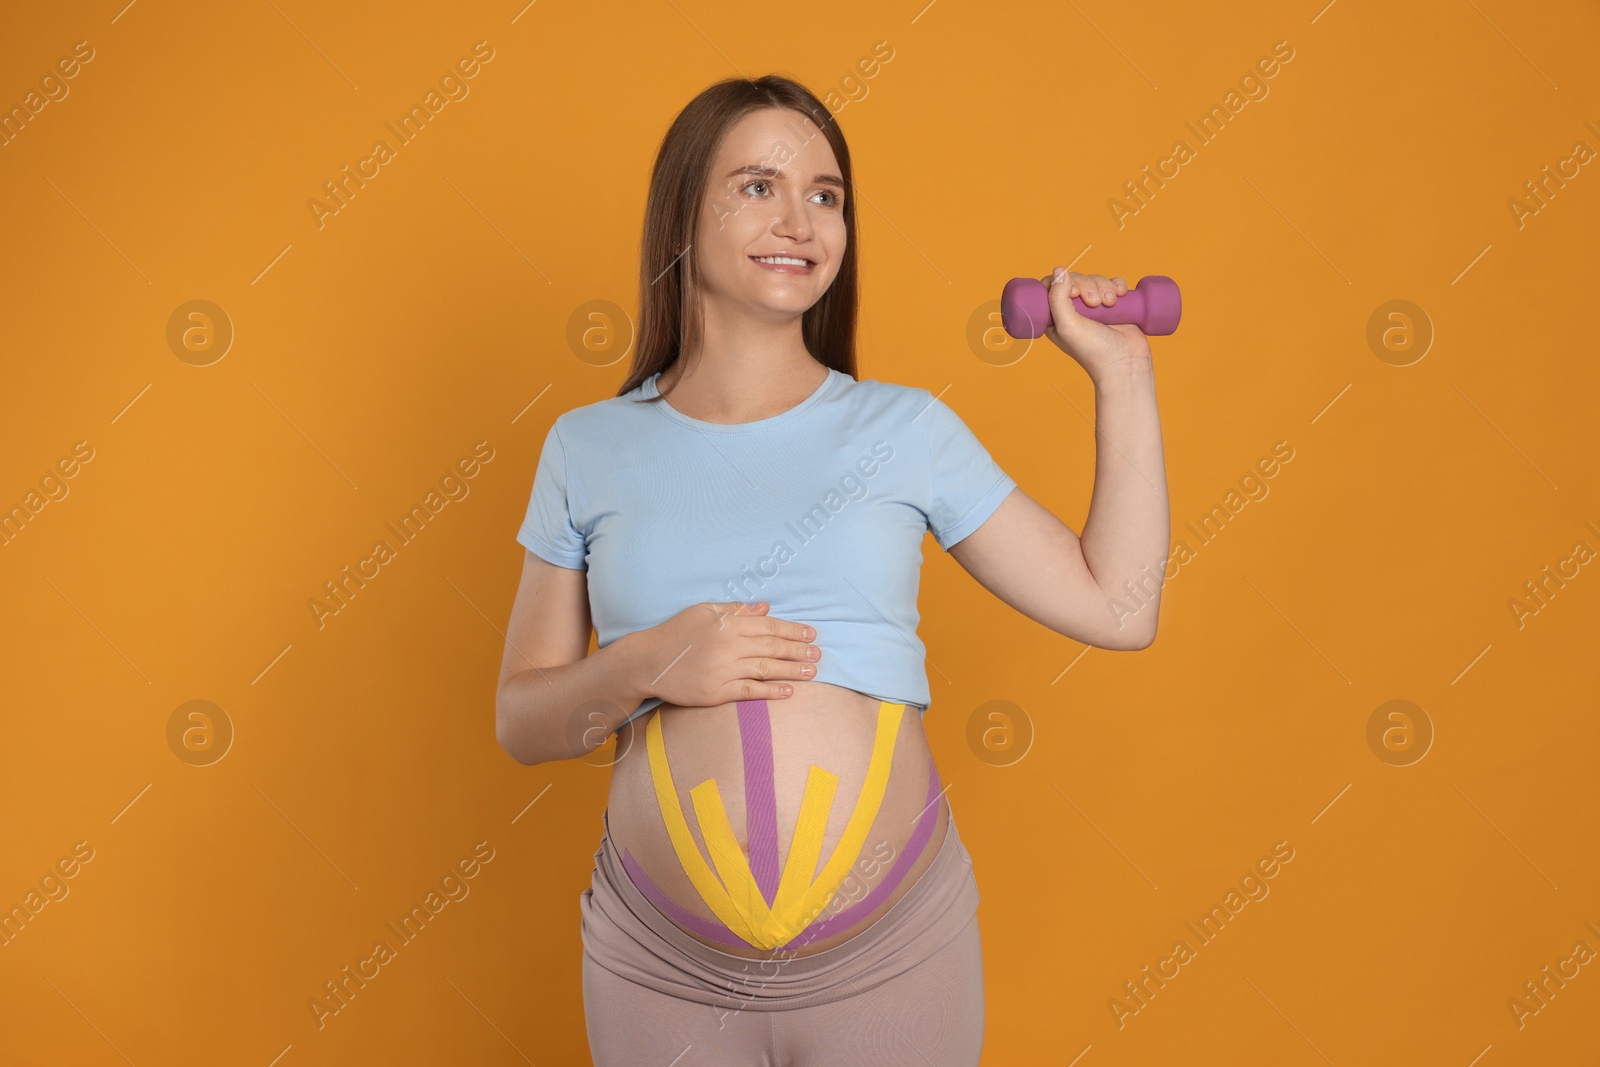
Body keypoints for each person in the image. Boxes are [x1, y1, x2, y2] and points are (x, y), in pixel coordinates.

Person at [496, 73, 1169, 1067]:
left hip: (892, 953)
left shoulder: (906, 430)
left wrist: (1123, 378)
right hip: (660, 964)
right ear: (682, 210)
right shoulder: (586, 447)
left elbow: (1120, 607)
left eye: (825, 194)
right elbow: (522, 720)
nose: (800, 219)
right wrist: (649, 661)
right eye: (757, 186)